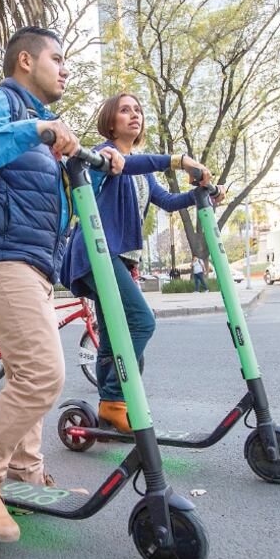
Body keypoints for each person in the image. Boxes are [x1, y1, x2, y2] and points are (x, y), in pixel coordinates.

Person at [0, 26, 123, 543]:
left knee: (32, 374)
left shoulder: (41, 131)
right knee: (43, 374)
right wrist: (36, 132)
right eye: (58, 59)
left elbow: (55, 207)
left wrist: (99, 170)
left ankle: (26, 472)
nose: (65, 69)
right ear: (26, 60)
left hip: (34, 264)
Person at [60, 92, 219, 432]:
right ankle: (118, 399)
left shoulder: (142, 170)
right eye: (125, 110)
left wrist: (202, 195)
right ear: (110, 120)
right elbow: (127, 164)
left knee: (114, 333)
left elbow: (167, 201)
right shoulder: (105, 156)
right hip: (94, 254)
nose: (134, 115)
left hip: (116, 258)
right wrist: (179, 160)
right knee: (142, 322)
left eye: (138, 111)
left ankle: (108, 410)